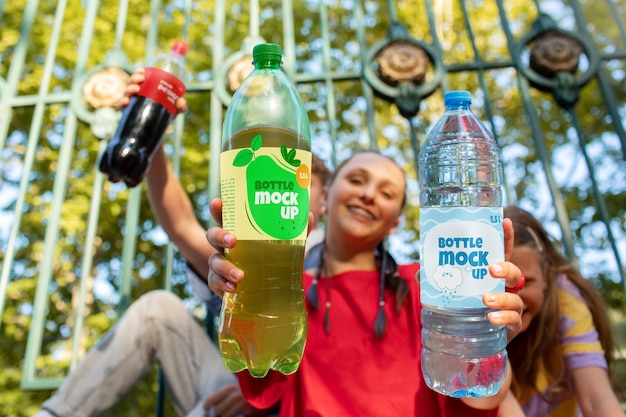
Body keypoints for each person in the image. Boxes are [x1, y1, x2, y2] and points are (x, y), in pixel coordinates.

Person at [33, 102, 332, 417]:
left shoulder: (353, 266)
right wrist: (152, 126)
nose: (279, 184)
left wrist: (275, 393)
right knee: (158, 310)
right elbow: (181, 227)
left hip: (304, 400)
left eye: (298, 178)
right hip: (235, 391)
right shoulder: (239, 246)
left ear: (325, 199)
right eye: (268, 174)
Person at [205, 150, 526, 417]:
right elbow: (261, 381)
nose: (368, 194)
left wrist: (487, 343)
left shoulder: (426, 284)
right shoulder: (288, 290)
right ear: (325, 198)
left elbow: (480, 400)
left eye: (386, 193)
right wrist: (247, 283)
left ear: (394, 224)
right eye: (356, 180)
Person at [501, 205, 625, 417]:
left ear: (546, 278)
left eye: (525, 282)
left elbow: (598, 400)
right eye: (502, 285)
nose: (515, 299)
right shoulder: (472, 316)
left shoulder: (566, 302)